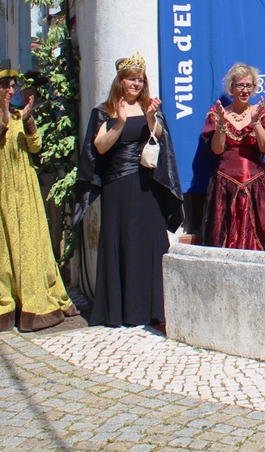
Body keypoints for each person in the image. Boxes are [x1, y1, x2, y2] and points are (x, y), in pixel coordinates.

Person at [78, 53, 183, 327]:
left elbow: (160, 139)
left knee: (148, 243)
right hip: (118, 187)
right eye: (131, 79)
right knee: (121, 242)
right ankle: (121, 310)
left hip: (148, 186)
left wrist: (150, 118)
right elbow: (99, 147)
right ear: (120, 82)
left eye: (140, 79)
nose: (136, 84)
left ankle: (151, 309)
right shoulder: (104, 111)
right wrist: (121, 122)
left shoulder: (150, 108)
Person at [0, 68, 76, 331]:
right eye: (6, 86)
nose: (11, 91)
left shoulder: (20, 116)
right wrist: (3, 122)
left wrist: (28, 121)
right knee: (1, 248)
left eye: (13, 86)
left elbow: (35, 146)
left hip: (23, 190)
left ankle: (35, 306)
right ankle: (4, 308)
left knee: (30, 245)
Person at [203, 63, 265, 251]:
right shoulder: (217, 114)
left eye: (249, 85)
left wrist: (255, 122)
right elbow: (216, 150)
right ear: (231, 87)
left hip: (257, 186)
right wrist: (222, 123)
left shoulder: (262, 114)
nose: (245, 90)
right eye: (240, 85)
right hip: (225, 185)